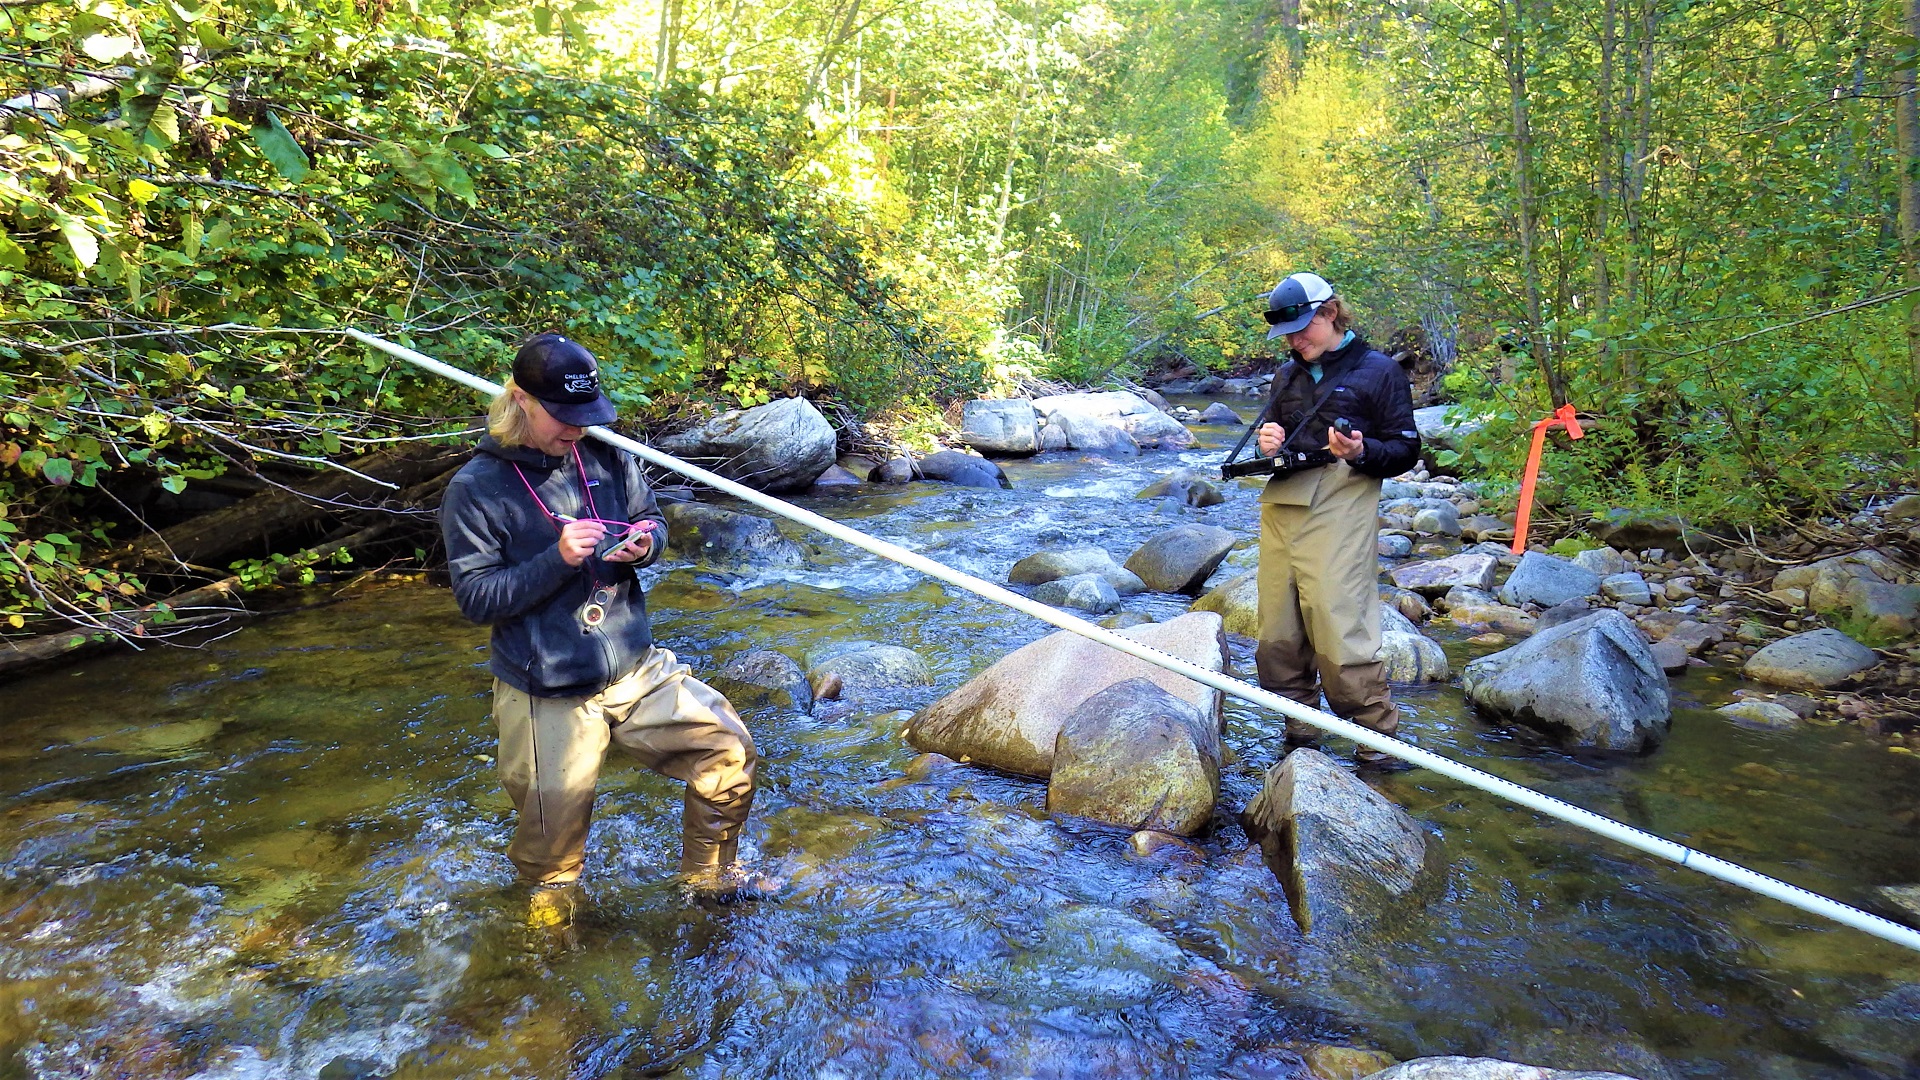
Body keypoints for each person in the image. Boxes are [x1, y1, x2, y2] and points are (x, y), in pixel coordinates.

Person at [440, 333, 773, 910]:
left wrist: (645, 546)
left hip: (633, 666)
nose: (576, 429)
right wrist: (557, 558)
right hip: (546, 687)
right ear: (520, 399)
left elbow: (650, 520)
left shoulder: (607, 455)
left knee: (729, 752)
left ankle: (706, 882)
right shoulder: (476, 488)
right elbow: (476, 599)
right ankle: (547, 947)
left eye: (586, 415)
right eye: (563, 416)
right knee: (553, 855)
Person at [1252, 272, 1421, 769]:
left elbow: (1407, 448)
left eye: (1304, 327)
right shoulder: (1287, 376)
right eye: (1288, 333)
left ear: (1330, 314)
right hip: (1283, 502)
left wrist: (1363, 449)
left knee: (1337, 623)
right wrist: (1271, 445)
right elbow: (1280, 443)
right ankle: (1300, 732)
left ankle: (1378, 745)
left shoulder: (1379, 371)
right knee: (1277, 631)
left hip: (1345, 500)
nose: (1295, 339)